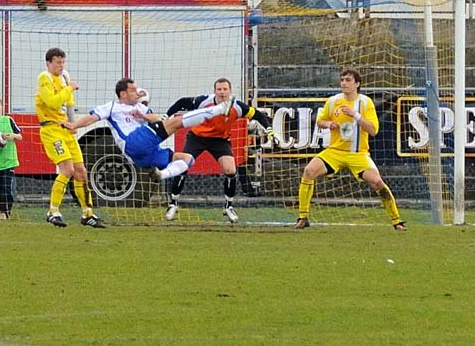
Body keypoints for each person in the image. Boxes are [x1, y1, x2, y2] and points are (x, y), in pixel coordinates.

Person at [295, 69, 407, 231]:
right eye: (342, 80)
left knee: (377, 182)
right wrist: (328, 124)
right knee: (309, 171)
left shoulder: (365, 103)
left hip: (358, 154)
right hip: (334, 151)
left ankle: (396, 221)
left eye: (348, 80)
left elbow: (374, 130)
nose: (344, 83)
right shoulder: (333, 101)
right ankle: (302, 217)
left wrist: (356, 115)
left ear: (357, 84)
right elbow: (320, 121)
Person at [63, 78, 234, 183]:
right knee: (176, 123)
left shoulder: (140, 108)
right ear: (122, 94)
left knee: (188, 159)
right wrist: (74, 125)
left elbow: (157, 120)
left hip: (143, 156)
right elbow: (92, 118)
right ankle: (219, 109)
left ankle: (161, 175)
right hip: (133, 142)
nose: (137, 92)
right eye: (132, 90)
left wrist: (144, 116)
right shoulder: (112, 107)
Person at [165, 78, 278, 224]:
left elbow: (258, 115)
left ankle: (228, 207)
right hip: (197, 137)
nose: (222, 92)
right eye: (219, 89)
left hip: (220, 140)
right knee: (183, 166)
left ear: (230, 91)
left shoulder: (238, 107)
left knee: (231, 170)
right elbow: (181, 102)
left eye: (225, 89)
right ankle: (173, 204)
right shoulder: (203, 101)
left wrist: (269, 130)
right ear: (215, 91)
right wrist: (165, 116)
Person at [35, 48, 105, 228]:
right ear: (48, 63)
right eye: (57, 62)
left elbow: (69, 105)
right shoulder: (45, 78)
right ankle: (53, 211)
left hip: (66, 129)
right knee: (66, 169)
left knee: (81, 171)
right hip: (51, 130)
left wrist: (74, 126)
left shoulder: (64, 77)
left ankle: (87, 213)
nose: (61, 65)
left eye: (62, 62)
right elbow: (52, 101)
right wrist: (69, 88)